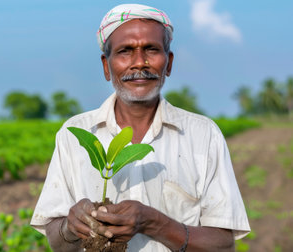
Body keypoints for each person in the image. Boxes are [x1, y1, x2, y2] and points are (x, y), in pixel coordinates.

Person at [31, 3, 250, 251]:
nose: (139, 63)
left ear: (168, 63)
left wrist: (154, 222)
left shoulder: (203, 135)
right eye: (125, 51)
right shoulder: (74, 134)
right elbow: (55, 240)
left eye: (151, 49)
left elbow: (223, 246)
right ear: (106, 65)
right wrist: (71, 226)